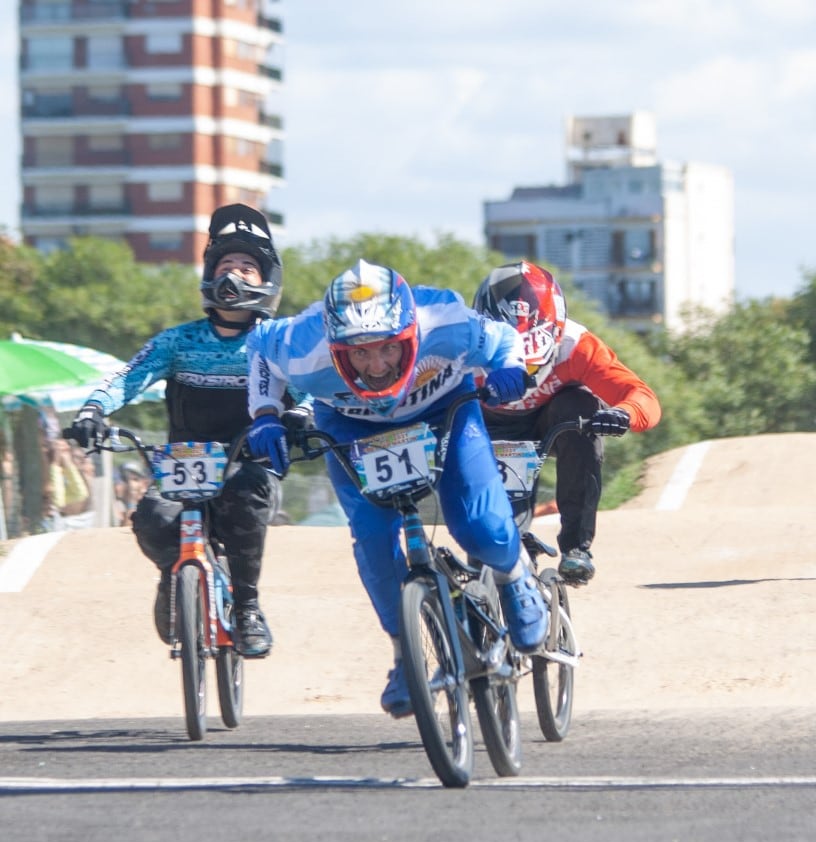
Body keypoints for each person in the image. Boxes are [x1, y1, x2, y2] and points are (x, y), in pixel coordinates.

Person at [244, 259, 547, 718]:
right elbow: (260, 348)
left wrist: (508, 368)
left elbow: (504, 338)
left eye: (388, 348)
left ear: (410, 332)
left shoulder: (445, 321)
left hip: (444, 408)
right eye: (358, 354)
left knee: (478, 524)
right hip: (349, 425)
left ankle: (513, 574)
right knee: (372, 536)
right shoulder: (301, 344)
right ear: (333, 346)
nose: (377, 365)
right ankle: (405, 652)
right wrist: (265, 413)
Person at [68, 203, 299, 658]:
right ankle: (175, 574)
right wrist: (93, 411)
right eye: (227, 265)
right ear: (211, 276)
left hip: (250, 462)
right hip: (184, 465)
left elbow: (309, 383)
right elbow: (127, 377)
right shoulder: (177, 341)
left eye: (247, 267)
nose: (235, 274)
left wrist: (302, 416)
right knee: (152, 520)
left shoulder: (279, 338)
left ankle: (248, 608)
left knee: (247, 496)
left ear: (266, 280)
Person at [472, 260, 662, 583]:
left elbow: (644, 397)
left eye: (531, 356)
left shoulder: (577, 345)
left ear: (555, 331)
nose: (524, 369)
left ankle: (576, 546)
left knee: (581, 405)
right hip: (485, 423)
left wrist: (623, 413)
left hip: (550, 423)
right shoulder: (461, 348)